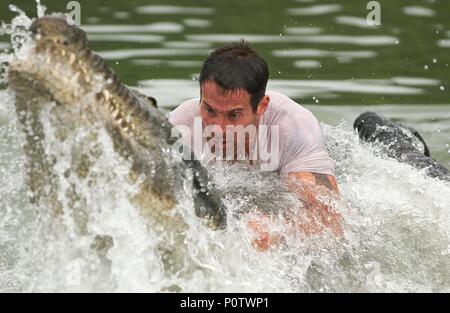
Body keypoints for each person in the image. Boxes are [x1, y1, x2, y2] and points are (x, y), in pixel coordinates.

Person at [169, 40, 342, 250]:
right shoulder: (181, 125)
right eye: (210, 111)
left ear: (261, 106)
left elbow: (332, 223)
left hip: (296, 172)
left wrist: (280, 231)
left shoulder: (294, 128)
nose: (218, 129)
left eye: (234, 115)